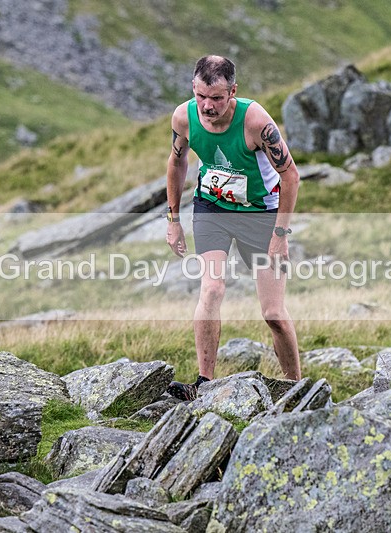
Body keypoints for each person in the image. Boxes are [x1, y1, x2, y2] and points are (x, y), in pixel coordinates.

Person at [165, 55, 301, 401]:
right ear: (193, 89)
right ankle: (203, 383)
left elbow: (291, 175)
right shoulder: (184, 117)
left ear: (233, 92)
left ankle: (294, 389)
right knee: (211, 289)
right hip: (212, 209)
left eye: (216, 98)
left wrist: (281, 234)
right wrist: (174, 220)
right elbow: (177, 161)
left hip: (261, 214)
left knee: (273, 314)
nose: (207, 106)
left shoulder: (255, 121)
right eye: (201, 97)